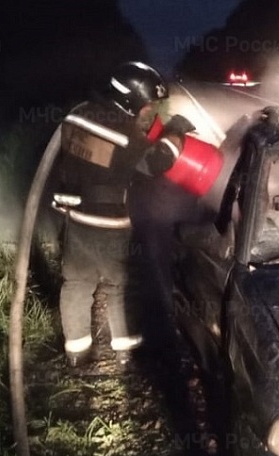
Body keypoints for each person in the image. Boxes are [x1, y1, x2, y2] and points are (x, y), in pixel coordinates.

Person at [49, 61, 197, 368]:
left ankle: (77, 354)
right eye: (147, 107)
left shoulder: (80, 114)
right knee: (121, 285)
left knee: (76, 284)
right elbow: (154, 163)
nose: (149, 113)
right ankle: (127, 353)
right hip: (109, 223)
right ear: (129, 100)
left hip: (75, 218)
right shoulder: (121, 130)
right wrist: (175, 131)